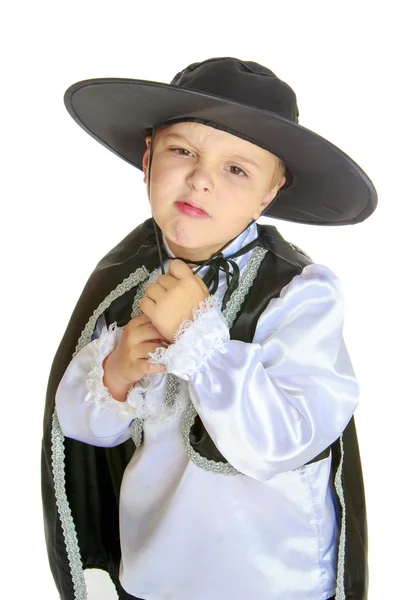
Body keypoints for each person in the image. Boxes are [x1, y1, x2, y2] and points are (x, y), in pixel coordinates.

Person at [41, 57, 377, 600]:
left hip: (270, 574)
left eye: (236, 169)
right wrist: (119, 370)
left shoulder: (299, 293)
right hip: (156, 568)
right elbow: (81, 428)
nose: (200, 179)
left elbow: (282, 441)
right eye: (183, 152)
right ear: (148, 157)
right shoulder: (124, 281)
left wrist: (200, 337)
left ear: (270, 192)